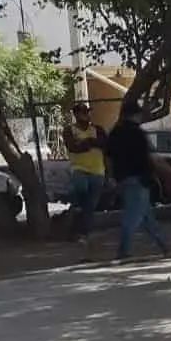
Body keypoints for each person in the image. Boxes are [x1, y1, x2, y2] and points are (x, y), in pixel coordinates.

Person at [105, 100, 171, 260]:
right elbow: (153, 158)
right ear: (135, 115)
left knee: (146, 216)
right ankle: (124, 251)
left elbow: (108, 158)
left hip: (122, 179)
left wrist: (110, 178)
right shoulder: (137, 133)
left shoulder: (114, 133)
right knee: (133, 217)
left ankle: (166, 246)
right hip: (139, 178)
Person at [63, 101, 108, 246]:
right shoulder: (69, 130)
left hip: (98, 169)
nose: (86, 115)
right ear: (76, 115)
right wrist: (90, 142)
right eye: (83, 113)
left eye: (87, 112)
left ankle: (82, 233)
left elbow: (105, 145)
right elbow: (73, 148)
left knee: (90, 206)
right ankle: (76, 204)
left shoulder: (97, 129)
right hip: (79, 168)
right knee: (81, 188)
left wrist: (86, 143)